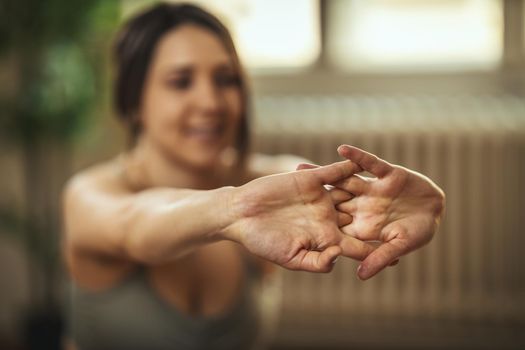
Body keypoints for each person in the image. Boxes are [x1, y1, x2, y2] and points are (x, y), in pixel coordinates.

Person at [61, 3, 445, 350]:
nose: (211, 102)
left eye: (225, 79)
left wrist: (379, 198)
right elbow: (136, 226)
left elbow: (303, 175)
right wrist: (234, 208)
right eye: (181, 81)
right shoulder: (90, 193)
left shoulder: (264, 184)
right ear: (133, 101)